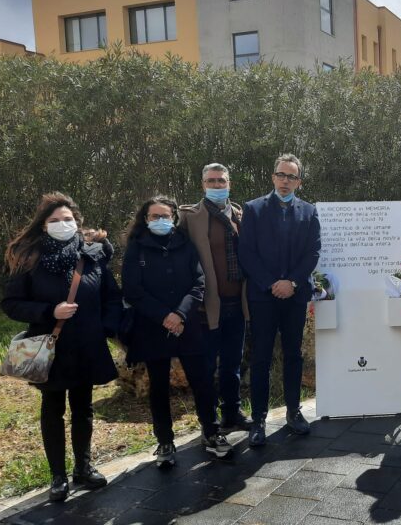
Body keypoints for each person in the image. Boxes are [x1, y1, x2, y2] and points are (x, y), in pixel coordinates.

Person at [2, 192, 121, 501]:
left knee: (84, 408)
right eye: (54, 220)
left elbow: (111, 297)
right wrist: (48, 312)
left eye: (68, 219)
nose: (62, 224)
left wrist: (105, 327)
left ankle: (83, 467)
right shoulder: (29, 259)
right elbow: (11, 303)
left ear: (77, 222)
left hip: (87, 346)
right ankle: (57, 475)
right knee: (52, 410)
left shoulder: (93, 255)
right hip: (52, 349)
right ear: (43, 226)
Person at [122, 195, 232, 468]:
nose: (160, 221)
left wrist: (180, 314)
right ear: (145, 219)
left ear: (174, 218)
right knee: (158, 387)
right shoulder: (136, 249)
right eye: (154, 216)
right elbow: (133, 290)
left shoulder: (185, 244)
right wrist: (164, 316)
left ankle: (211, 431)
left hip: (187, 325)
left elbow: (198, 281)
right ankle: (165, 441)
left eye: (165, 216)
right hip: (153, 327)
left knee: (202, 381)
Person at [239, 154, 321, 444]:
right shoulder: (253, 209)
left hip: (295, 297)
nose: (285, 181)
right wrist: (271, 283)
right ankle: (259, 419)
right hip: (263, 296)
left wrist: (292, 283)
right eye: (281, 175)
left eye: (292, 177)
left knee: (293, 355)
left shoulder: (309, 212)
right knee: (260, 358)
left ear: (299, 181)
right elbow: (246, 253)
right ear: (273, 177)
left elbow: (312, 253)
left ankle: (293, 412)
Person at [178, 163, 251, 433]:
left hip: (237, 303)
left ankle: (232, 412)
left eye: (221, 181)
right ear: (202, 185)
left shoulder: (240, 215)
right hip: (206, 307)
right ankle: (209, 422)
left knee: (232, 365)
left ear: (229, 183)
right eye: (211, 181)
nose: (217, 185)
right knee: (206, 367)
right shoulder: (189, 217)